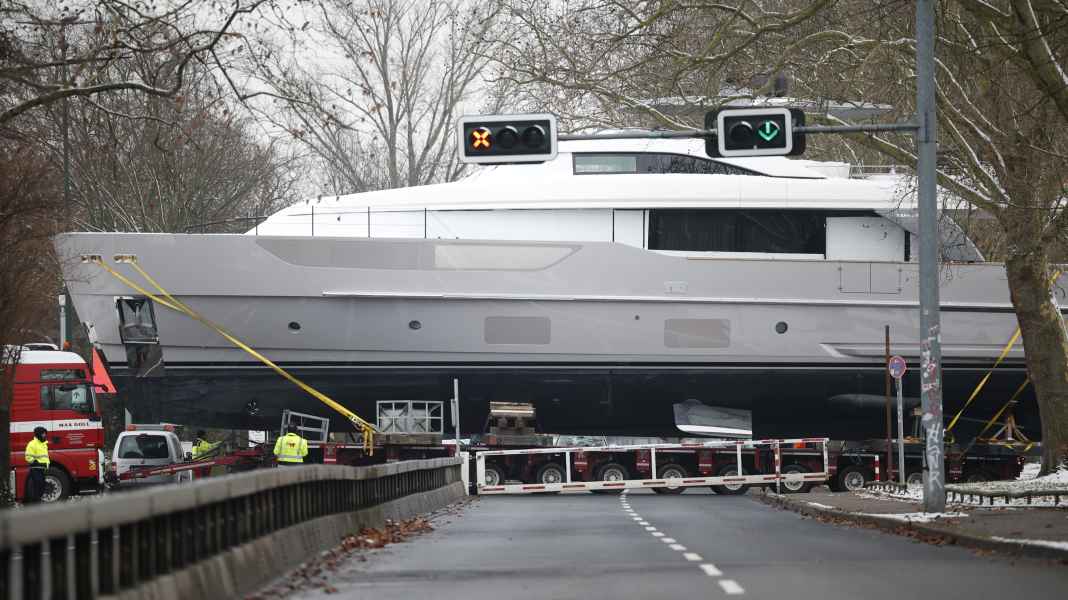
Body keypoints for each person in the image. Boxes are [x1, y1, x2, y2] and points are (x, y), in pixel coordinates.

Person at [24, 426, 50, 503]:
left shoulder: (44, 444)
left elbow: (45, 456)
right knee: (37, 486)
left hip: (42, 469)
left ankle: (37, 501)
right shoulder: (32, 444)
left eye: (45, 434)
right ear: (38, 434)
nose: (44, 435)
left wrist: (47, 464)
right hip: (35, 469)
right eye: (43, 434)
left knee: (42, 486)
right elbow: (28, 456)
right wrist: (35, 462)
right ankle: (36, 502)